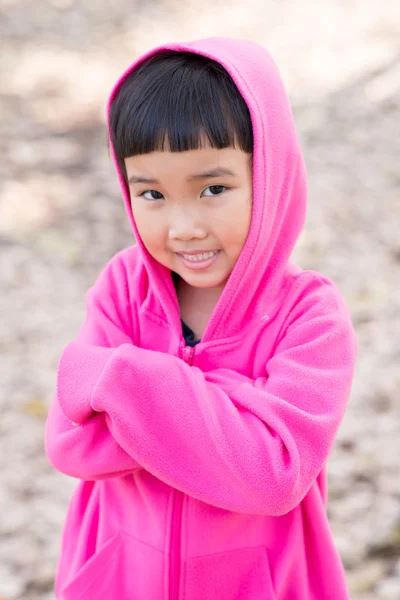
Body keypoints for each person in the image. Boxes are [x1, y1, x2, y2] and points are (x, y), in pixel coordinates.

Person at [44, 37, 358, 600]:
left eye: (213, 188)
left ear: (269, 175)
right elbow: (71, 443)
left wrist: (127, 382)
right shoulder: (123, 287)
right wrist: (233, 408)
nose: (183, 226)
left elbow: (274, 473)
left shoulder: (310, 315)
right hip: (121, 577)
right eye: (152, 194)